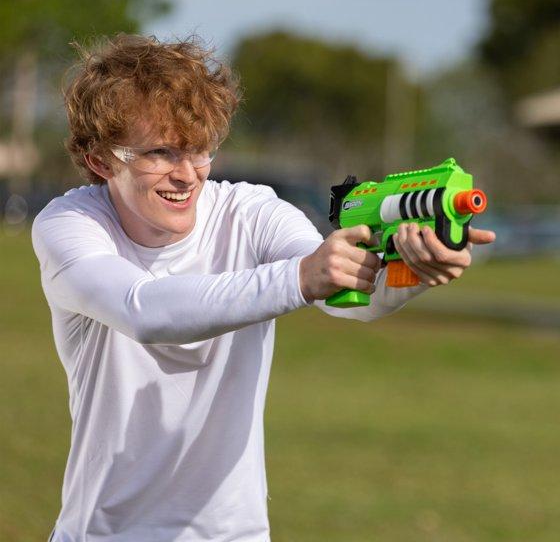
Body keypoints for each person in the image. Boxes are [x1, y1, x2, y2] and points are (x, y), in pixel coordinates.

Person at [32, 34, 495, 542]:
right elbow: (142, 310)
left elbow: (348, 302)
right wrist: (299, 277)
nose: (187, 175)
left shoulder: (251, 211)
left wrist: (411, 274)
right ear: (102, 160)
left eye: (199, 149)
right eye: (160, 153)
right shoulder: (70, 224)